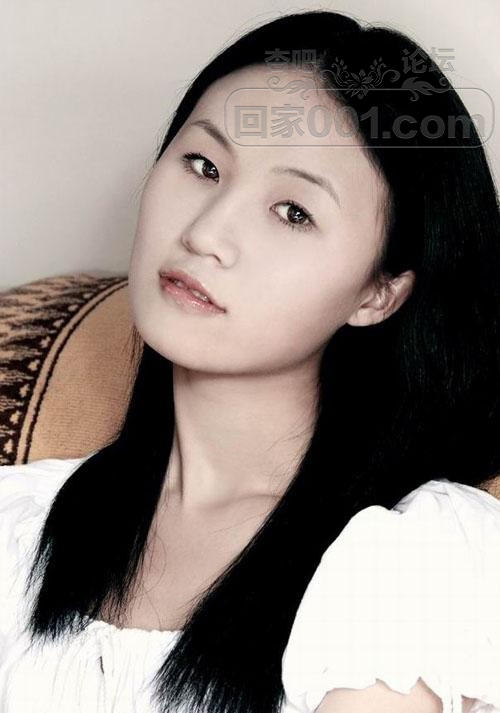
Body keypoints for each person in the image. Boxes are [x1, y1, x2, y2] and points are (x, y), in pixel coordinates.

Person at [1, 9, 500, 713]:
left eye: (293, 211)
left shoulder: (411, 554)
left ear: (378, 292)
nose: (206, 233)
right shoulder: (18, 524)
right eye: (203, 166)